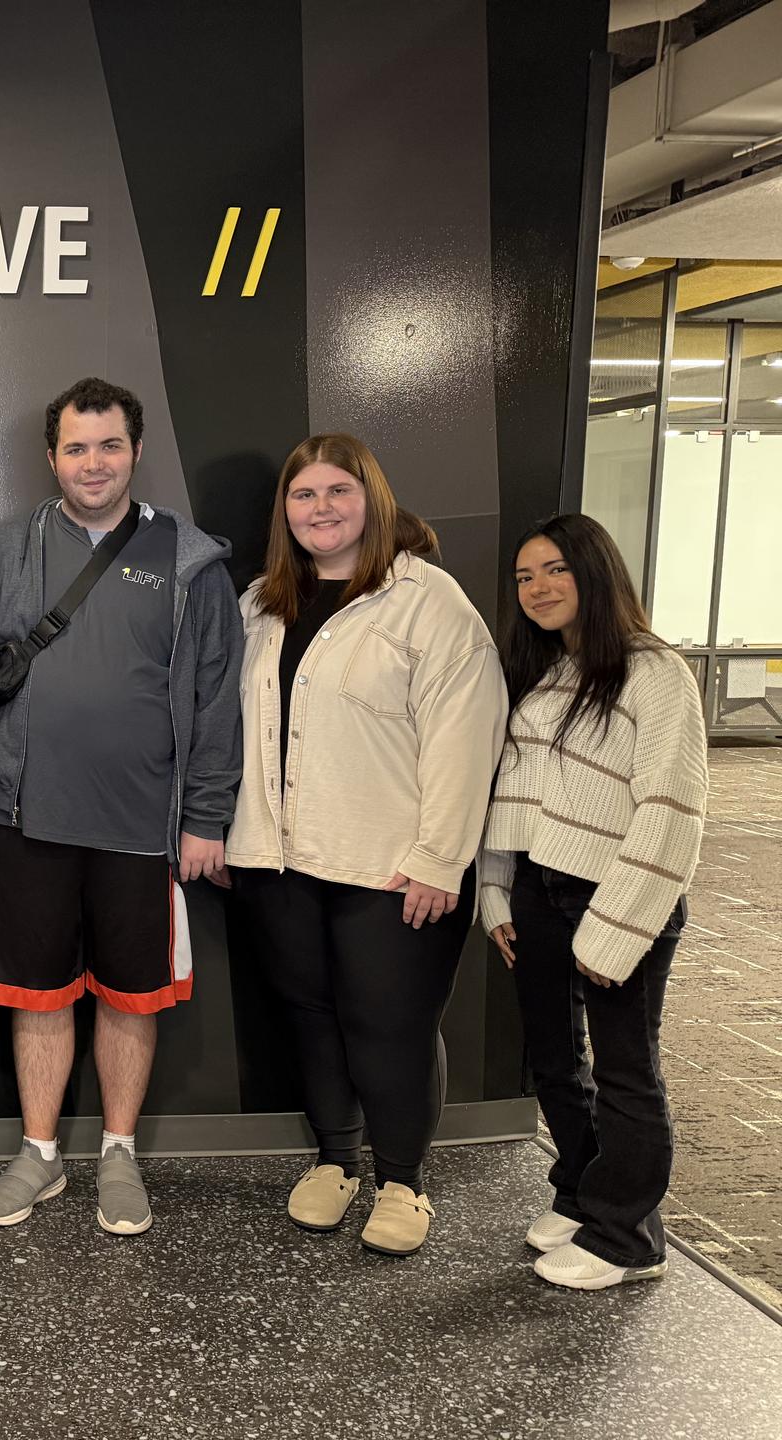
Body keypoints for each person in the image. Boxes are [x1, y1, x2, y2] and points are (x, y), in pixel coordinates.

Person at [0, 376, 244, 1235]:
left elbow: (217, 696)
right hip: (26, 819)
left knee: (131, 997)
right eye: (76, 447)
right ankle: (40, 1156)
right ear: (52, 457)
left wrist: (205, 815)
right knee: (36, 994)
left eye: (109, 445)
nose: (93, 462)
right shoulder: (7, 550)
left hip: (144, 829)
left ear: (136, 451)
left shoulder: (189, 561)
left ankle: (119, 1153)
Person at [227, 433, 505, 1257]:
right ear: (286, 512)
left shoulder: (430, 602)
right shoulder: (260, 604)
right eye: (304, 495)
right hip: (278, 858)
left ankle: (403, 1182)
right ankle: (334, 1161)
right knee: (311, 1018)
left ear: (372, 500)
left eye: (337, 492)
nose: (321, 509)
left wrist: (438, 858)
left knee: (391, 1024)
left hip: (389, 863)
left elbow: (467, 737)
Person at [482, 514, 707, 1290]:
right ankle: (581, 1192)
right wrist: (495, 888)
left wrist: (616, 932)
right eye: (524, 577)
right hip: (542, 890)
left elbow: (672, 810)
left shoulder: (654, 672)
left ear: (595, 573)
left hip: (622, 898)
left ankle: (629, 1237)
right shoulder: (548, 672)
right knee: (552, 1059)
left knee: (625, 1072)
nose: (538, 588)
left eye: (555, 571)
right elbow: (515, 790)